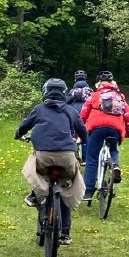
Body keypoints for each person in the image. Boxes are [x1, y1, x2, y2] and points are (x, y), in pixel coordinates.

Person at [16, 78, 88, 245]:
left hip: (44, 157)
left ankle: (35, 195)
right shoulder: (70, 110)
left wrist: (18, 135)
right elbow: (83, 131)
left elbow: (24, 125)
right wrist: (81, 141)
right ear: (64, 93)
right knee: (64, 188)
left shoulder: (39, 109)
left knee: (33, 165)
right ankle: (65, 233)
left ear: (45, 92)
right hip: (67, 158)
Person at [79, 70, 129, 201]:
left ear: (98, 84)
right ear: (113, 83)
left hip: (97, 128)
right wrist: (127, 133)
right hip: (115, 128)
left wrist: (80, 129)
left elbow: (83, 114)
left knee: (92, 158)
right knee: (113, 149)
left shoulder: (94, 95)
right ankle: (115, 165)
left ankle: (89, 191)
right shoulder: (120, 96)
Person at [66, 70, 93, 161]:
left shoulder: (73, 91)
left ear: (75, 79)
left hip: (75, 112)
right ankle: (85, 159)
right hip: (87, 113)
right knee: (85, 134)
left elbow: (66, 101)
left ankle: (75, 154)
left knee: (74, 133)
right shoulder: (90, 91)